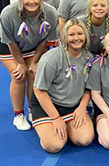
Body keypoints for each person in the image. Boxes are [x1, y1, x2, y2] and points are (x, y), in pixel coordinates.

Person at [0, 0, 58, 130]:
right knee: (19, 75)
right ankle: (18, 115)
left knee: (33, 73)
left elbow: (45, 40)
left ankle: (32, 111)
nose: (31, 1)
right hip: (6, 43)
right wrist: (21, 64)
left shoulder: (50, 12)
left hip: (34, 42)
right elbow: (11, 43)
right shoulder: (9, 13)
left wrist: (34, 63)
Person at [31, 19, 94, 153]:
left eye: (80, 34)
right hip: (48, 105)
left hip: (73, 106)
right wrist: (55, 118)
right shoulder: (51, 58)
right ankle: (46, 128)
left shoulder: (89, 58)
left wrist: (82, 108)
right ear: (64, 37)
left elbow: (89, 88)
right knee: (55, 146)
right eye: (71, 35)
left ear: (85, 36)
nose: (76, 38)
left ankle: (68, 126)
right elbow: (38, 89)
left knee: (85, 140)